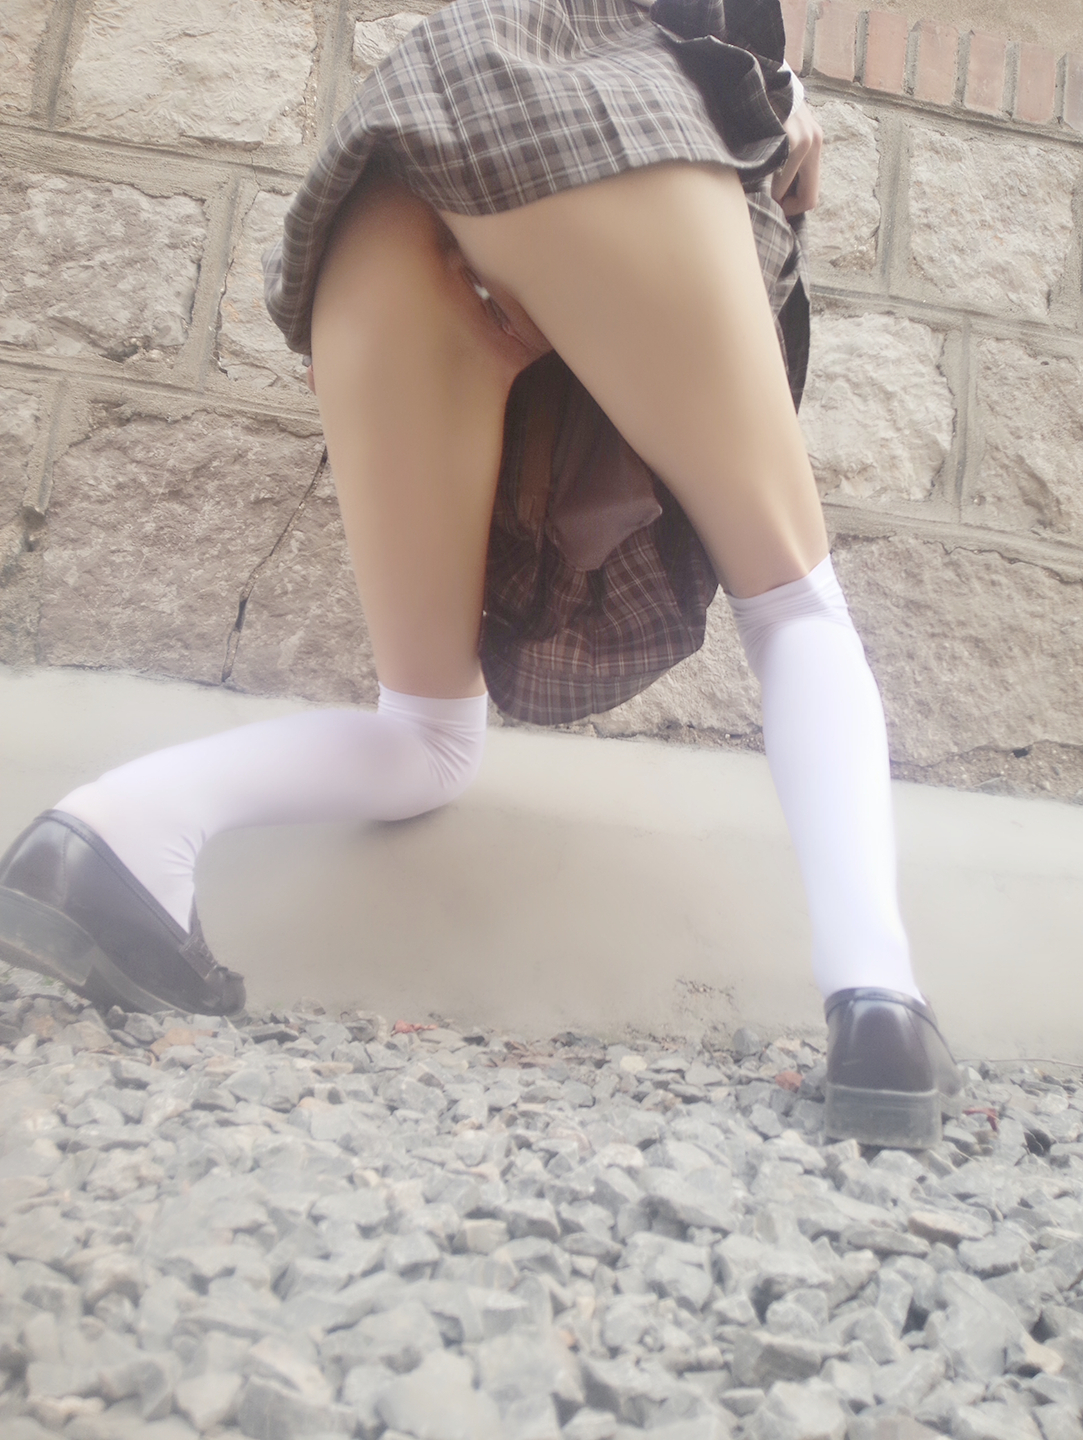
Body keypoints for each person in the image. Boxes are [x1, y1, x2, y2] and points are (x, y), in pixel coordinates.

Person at [0, 0, 960, 1148]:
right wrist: (780, 91)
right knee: (794, 602)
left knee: (429, 735)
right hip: (598, 101)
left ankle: (110, 833)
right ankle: (879, 1002)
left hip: (386, 165)